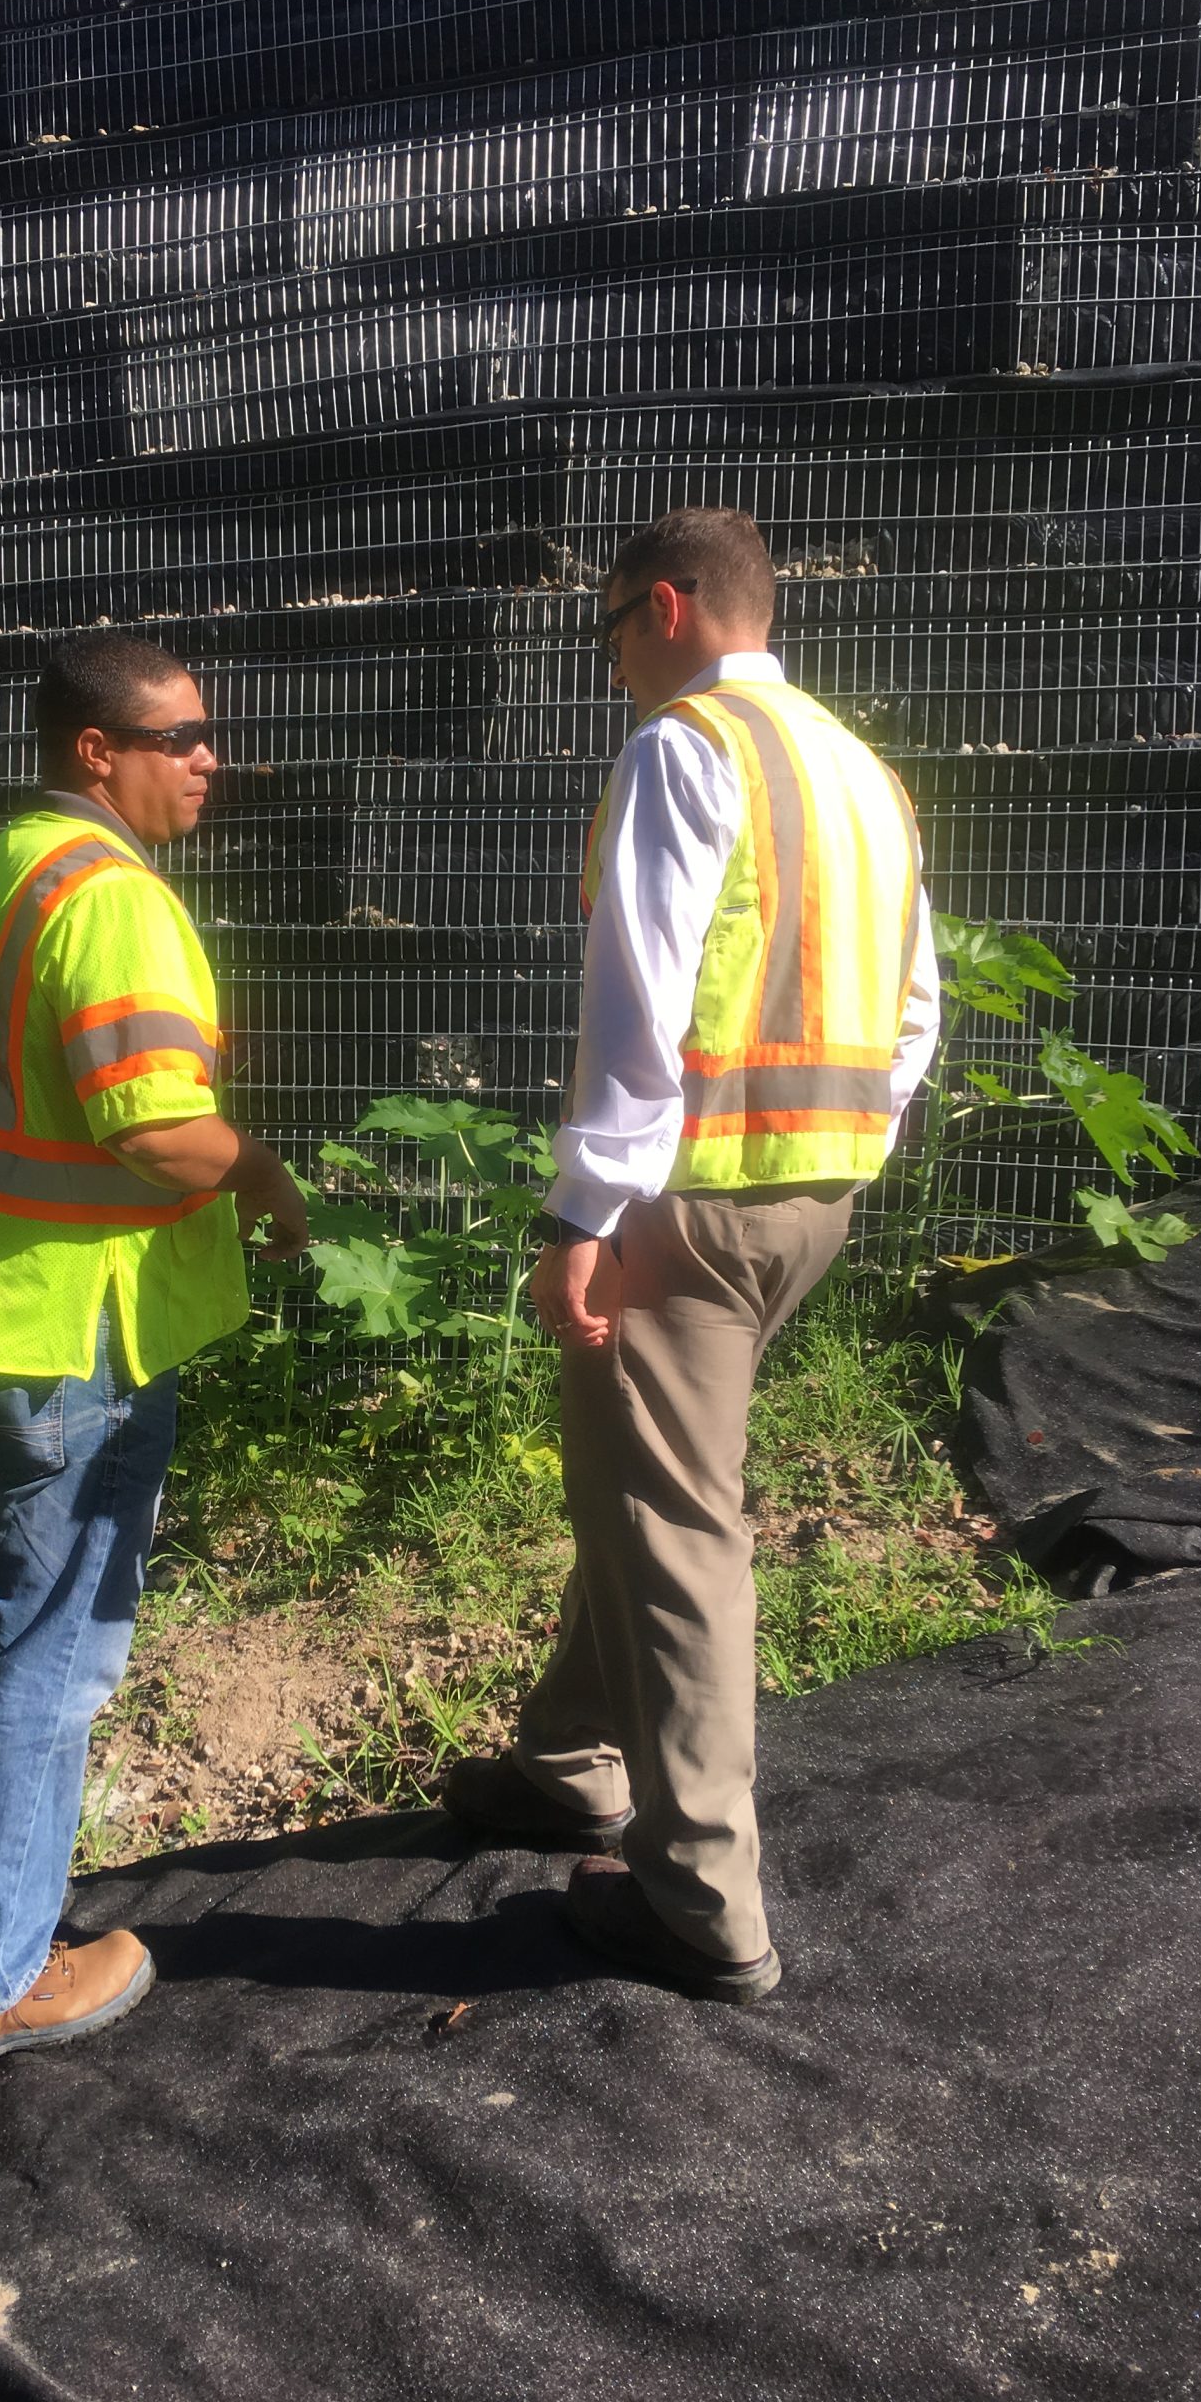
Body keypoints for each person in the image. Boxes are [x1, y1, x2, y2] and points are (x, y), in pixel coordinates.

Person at [443, 506, 939, 2003]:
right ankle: (568, 1762)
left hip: (687, 1204)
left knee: (675, 1530)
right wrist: (852, 1141)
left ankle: (703, 1902)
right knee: (645, 1479)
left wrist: (582, 1215)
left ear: (664, 606)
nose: (608, 663)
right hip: (814, 1198)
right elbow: (916, 1006)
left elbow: (638, 1002)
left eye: (608, 628)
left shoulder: (684, 748)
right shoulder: (857, 767)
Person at [0, 633, 307, 2078]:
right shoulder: (113, 897)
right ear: (95, 751)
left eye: (208, 735)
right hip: (76, 1338)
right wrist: (265, 1177)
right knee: (51, 1664)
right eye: (180, 737)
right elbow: (151, 1121)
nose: (208, 760)